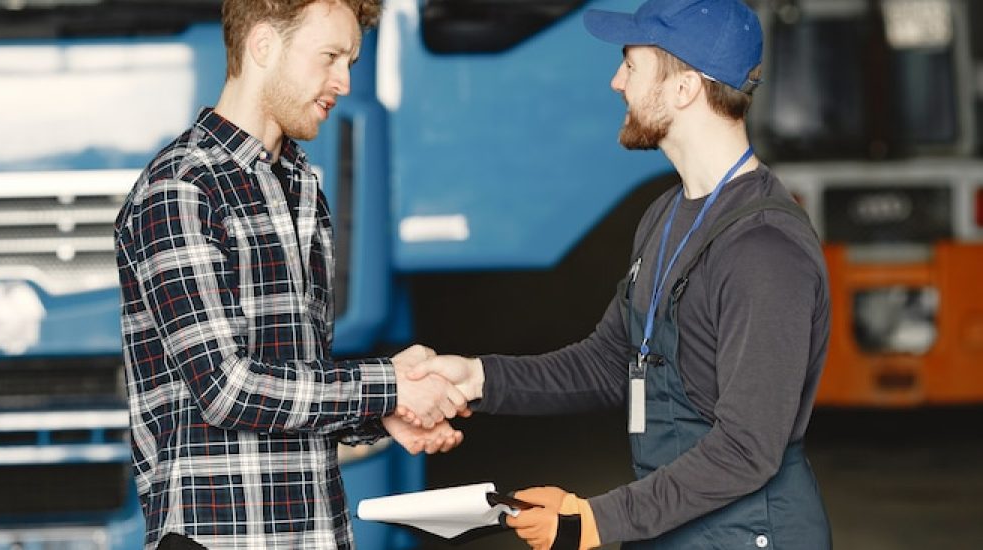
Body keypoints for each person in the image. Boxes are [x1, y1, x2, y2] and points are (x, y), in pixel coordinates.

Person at [404, 0, 833, 548]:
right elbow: (611, 361)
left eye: (631, 65)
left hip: (752, 535)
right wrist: (479, 379)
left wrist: (596, 519)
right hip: (675, 527)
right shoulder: (666, 215)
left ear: (685, 88)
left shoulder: (764, 251)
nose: (616, 82)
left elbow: (748, 449)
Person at [113, 1, 467, 548]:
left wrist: (381, 414)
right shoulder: (180, 190)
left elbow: (295, 381)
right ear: (263, 45)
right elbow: (226, 389)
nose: (344, 82)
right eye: (329, 57)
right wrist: (389, 387)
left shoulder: (301, 187)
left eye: (349, 62)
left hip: (315, 531)